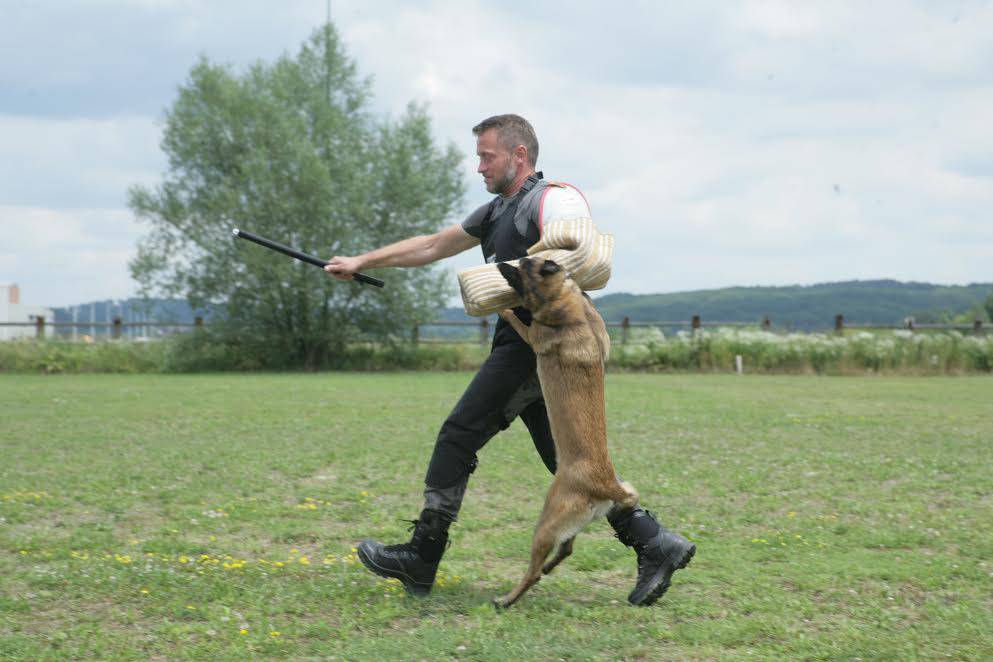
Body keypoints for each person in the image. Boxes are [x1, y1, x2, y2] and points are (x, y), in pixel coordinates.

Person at [324, 114, 694, 606]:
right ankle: (655, 542)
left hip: (535, 349)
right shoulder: (495, 212)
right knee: (565, 462)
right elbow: (435, 245)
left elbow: (572, 239)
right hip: (526, 347)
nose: (479, 166)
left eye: (486, 155)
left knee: (459, 433)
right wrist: (361, 262)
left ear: (519, 156)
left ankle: (422, 555)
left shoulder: (550, 198)